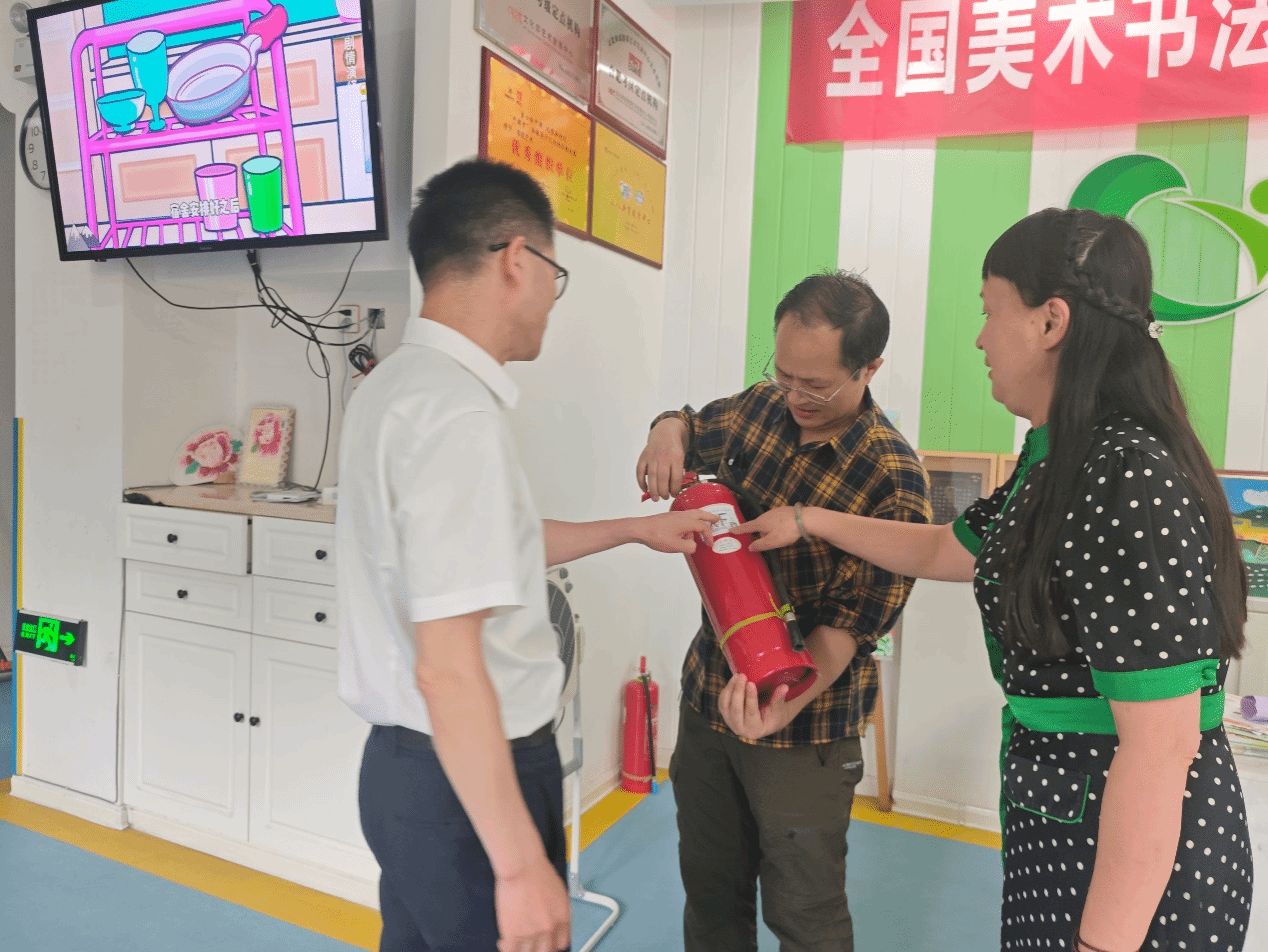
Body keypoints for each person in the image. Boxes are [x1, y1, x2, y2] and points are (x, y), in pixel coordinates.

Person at [733, 207, 1254, 951]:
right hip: (1065, 817)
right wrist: (808, 518)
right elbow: (948, 549)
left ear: (1050, 322)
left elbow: (1161, 748)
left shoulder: (1125, 476)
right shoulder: (1058, 455)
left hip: (1134, 868)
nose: (979, 338)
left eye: (989, 310)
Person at [335, 158, 718, 952]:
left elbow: (482, 552)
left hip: (408, 775)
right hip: (471, 781)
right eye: (554, 273)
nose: (550, 296)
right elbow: (448, 666)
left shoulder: (395, 388)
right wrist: (517, 866)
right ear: (517, 260)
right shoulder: (456, 414)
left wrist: (632, 529)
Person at [637, 271, 932, 951]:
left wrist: (785, 703)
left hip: (808, 726)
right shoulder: (760, 410)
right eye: (785, 375)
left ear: (869, 368)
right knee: (711, 893)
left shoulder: (893, 480)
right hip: (710, 698)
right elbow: (689, 421)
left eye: (816, 385)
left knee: (806, 914)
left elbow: (852, 628)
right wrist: (666, 435)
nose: (795, 397)